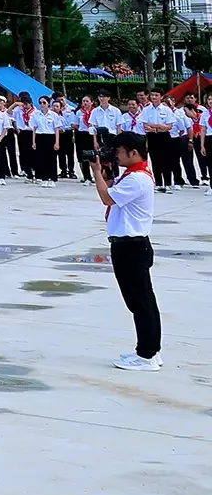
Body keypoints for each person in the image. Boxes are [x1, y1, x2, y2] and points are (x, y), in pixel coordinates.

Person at [95, 131, 161, 370]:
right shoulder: (132, 174)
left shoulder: (137, 179)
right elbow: (112, 188)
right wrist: (107, 173)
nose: (117, 156)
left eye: (120, 152)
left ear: (134, 153)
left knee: (139, 302)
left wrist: (95, 172)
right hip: (132, 245)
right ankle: (151, 350)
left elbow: (107, 198)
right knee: (143, 301)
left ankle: (146, 355)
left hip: (131, 246)